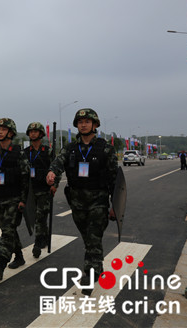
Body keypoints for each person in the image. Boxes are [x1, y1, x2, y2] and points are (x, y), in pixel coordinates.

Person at [46, 108, 118, 296]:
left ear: (95, 124)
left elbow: (115, 180)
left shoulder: (106, 149)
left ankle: (89, 274)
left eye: (87, 121)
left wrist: (115, 207)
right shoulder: (70, 148)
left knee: (94, 237)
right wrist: (52, 173)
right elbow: (58, 163)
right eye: (80, 122)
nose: (83, 124)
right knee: (88, 238)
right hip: (77, 202)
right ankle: (97, 266)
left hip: (98, 201)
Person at [0, 118, 30, 281]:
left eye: (4, 129)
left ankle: (1, 264)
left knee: (7, 231)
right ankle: (19, 256)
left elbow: (26, 179)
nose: (0, 132)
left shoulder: (19, 153)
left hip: (14, 197)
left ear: (11, 133)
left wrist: (23, 200)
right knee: (7, 229)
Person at [24, 122, 59, 258]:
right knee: (35, 216)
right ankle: (44, 237)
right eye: (31, 131)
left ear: (41, 134)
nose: (33, 133)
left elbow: (56, 169)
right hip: (30, 189)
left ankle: (37, 243)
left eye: (35, 131)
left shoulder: (48, 151)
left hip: (44, 189)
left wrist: (54, 184)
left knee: (41, 216)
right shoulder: (25, 153)